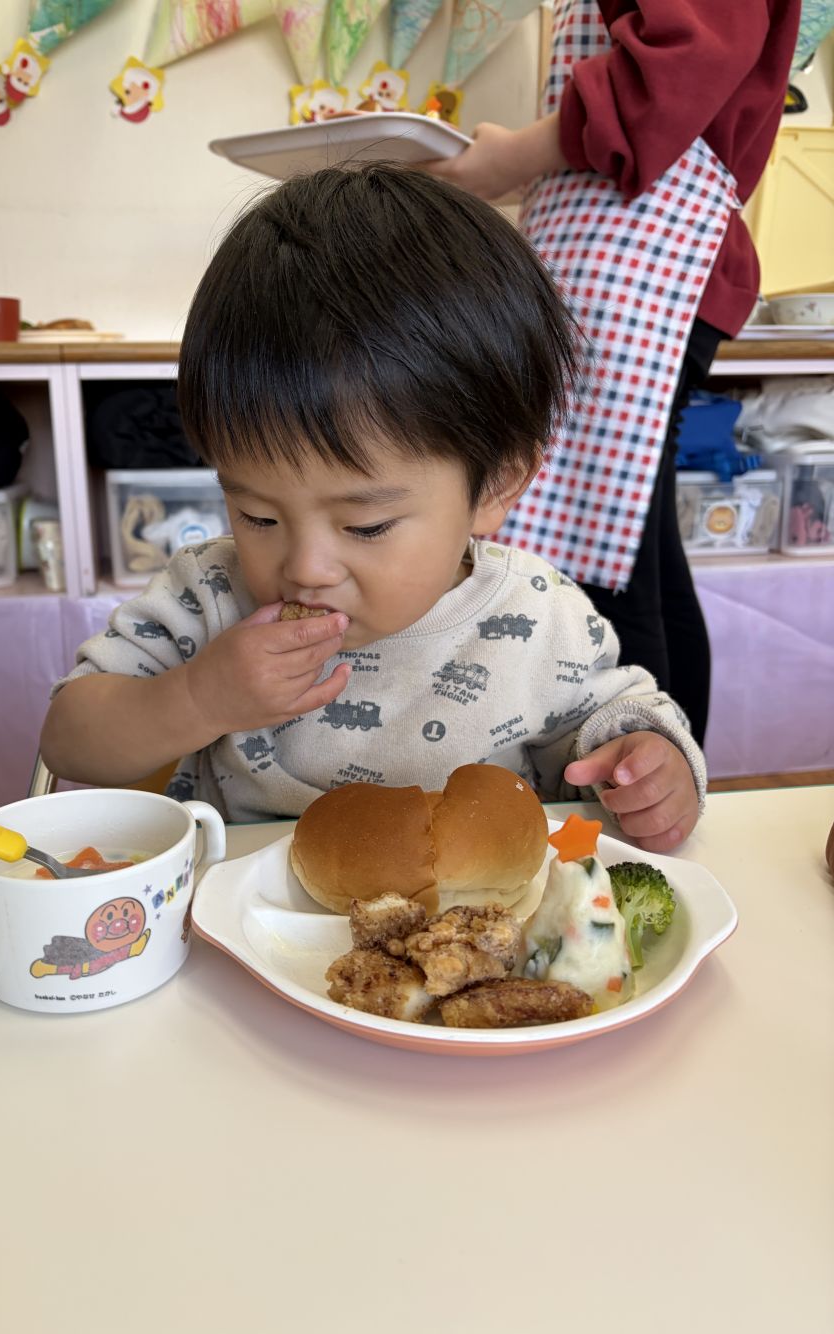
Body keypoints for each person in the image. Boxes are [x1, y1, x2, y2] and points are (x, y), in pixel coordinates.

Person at [41, 165, 704, 853]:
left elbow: (619, 719)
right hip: (247, 933)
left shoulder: (538, 617)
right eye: (258, 516)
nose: (306, 568)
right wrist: (199, 700)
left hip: (469, 939)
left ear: (496, 487)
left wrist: (650, 765)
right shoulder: (210, 595)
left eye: (366, 526)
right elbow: (69, 741)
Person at [426, 0, 801, 746]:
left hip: (639, 263)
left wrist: (517, 154)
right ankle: (671, 776)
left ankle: (633, 790)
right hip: (616, 261)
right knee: (635, 552)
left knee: (599, 562)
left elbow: (686, 60)